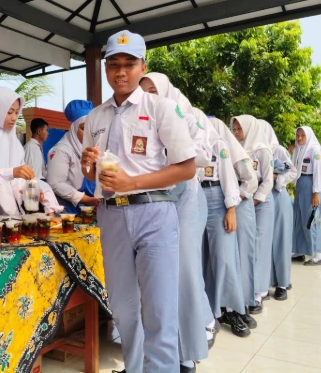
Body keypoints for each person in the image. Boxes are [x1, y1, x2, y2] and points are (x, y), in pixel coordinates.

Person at [82, 31, 198, 373]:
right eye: (114, 65)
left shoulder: (160, 108)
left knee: (159, 308)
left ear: (142, 66)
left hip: (155, 213)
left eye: (129, 64)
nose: (121, 72)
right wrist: (89, 166)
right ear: (106, 68)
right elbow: (91, 177)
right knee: (123, 307)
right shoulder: (96, 117)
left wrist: (131, 182)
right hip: (112, 217)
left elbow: (187, 167)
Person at [140, 73, 214, 370]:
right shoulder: (143, 118)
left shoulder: (189, 114)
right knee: (155, 275)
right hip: (152, 199)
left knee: (183, 271)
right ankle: (157, 355)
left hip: (183, 195)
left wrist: (174, 153)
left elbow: (206, 155)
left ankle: (186, 354)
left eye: (153, 90)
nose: (150, 96)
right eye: (144, 92)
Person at [0, 86, 62, 217]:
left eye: (16, 112)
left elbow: (18, 181)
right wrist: (10, 172)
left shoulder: (13, 142)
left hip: (6, 207)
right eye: (9, 112)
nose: (14, 117)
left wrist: (31, 190)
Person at [195, 109, 248, 338]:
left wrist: (231, 210)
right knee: (201, 258)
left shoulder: (220, 146)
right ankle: (211, 311)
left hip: (218, 199)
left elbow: (229, 179)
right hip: (196, 199)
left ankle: (233, 309)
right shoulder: (193, 145)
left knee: (224, 258)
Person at [209, 117, 259, 328]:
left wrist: (234, 201)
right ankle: (223, 306)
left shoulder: (231, 150)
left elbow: (251, 180)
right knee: (224, 257)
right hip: (221, 201)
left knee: (239, 257)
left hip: (240, 202)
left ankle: (241, 305)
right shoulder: (204, 148)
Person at [231, 115, 274, 315]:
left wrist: (254, 199)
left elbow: (268, 181)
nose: (236, 132)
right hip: (244, 199)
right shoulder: (236, 148)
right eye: (235, 129)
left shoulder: (263, 150)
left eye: (239, 129)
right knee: (246, 245)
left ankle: (259, 292)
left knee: (259, 244)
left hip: (261, 201)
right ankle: (245, 289)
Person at [261, 120, 297, 300]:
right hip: (262, 198)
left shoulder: (279, 150)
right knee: (265, 241)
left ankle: (282, 284)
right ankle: (265, 283)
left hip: (278, 196)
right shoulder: (253, 150)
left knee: (281, 240)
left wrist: (277, 178)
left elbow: (293, 171)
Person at [46, 100, 100, 214]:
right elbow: (56, 184)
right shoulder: (61, 150)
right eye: (83, 128)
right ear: (74, 128)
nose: (87, 134)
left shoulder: (92, 149)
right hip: (68, 210)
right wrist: (87, 200)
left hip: (90, 208)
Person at [291, 126, 321, 265]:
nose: (299, 138)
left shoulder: (314, 150)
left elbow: (318, 172)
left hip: (311, 186)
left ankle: (318, 255)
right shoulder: (299, 149)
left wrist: (316, 193)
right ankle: (299, 250)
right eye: (298, 135)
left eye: (302, 136)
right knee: (299, 219)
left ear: (308, 136)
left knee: (311, 220)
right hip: (301, 185)